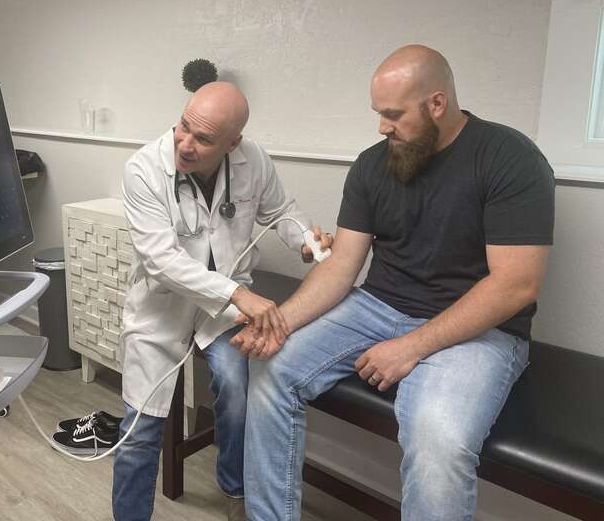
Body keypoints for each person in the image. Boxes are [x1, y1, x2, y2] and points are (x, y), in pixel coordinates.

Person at [235, 45, 555, 520]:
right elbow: (342, 266)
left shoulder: (510, 158)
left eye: (393, 114)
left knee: (438, 437)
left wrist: (411, 346)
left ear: (437, 104)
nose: (382, 126)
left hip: (480, 330)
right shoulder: (371, 164)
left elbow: (515, 286)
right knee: (271, 370)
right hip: (377, 307)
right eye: (378, 114)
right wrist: (276, 323)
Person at [112, 81, 332, 521]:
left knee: (236, 390)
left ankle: (235, 489)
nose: (186, 144)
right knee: (140, 432)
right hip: (163, 306)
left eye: (204, 138)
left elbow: (280, 211)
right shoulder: (143, 169)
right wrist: (238, 294)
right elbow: (161, 262)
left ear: (234, 143)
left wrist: (307, 241)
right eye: (183, 127)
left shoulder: (253, 161)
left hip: (225, 309)